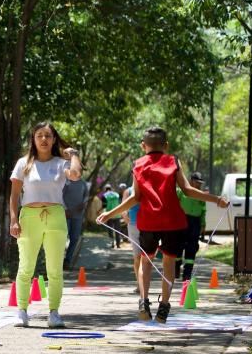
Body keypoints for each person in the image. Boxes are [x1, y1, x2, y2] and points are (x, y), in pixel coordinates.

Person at [97, 127, 228, 323]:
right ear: (166, 145)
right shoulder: (173, 161)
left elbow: (136, 198)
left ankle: (143, 301)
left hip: (149, 221)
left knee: (145, 262)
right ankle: (164, 306)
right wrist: (216, 199)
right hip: (173, 221)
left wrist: (110, 213)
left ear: (143, 146)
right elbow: (188, 190)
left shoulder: (138, 165)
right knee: (168, 262)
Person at [10, 122, 82, 328]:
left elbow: (76, 175)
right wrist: (14, 220)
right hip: (29, 217)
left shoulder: (61, 163)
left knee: (55, 269)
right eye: (39, 135)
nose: (44, 140)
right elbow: (14, 195)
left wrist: (73, 154)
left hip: (56, 216)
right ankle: (22, 311)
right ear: (33, 138)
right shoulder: (23, 163)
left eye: (48, 136)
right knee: (26, 267)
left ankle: (54, 313)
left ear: (54, 140)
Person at [176, 172, 207, 281]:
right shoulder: (181, 191)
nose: (199, 185)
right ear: (191, 181)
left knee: (192, 248)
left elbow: (203, 210)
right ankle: (176, 267)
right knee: (178, 246)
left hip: (195, 223)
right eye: (197, 182)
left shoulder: (201, 195)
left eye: (200, 183)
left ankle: (187, 274)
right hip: (181, 220)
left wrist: (203, 224)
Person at [62, 178, 88, 270]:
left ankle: (67, 260)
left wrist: (84, 204)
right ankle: (59, 260)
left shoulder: (83, 183)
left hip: (78, 216)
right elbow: (59, 196)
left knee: (75, 238)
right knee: (63, 238)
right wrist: (65, 209)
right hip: (65, 215)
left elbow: (86, 196)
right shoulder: (65, 182)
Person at [121, 184, 141, 294]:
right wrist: (124, 215)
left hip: (148, 225)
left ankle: (143, 281)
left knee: (145, 257)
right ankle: (139, 284)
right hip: (133, 225)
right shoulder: (128, 190)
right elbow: (123, 207)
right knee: (137, 257)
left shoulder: (147, 186)